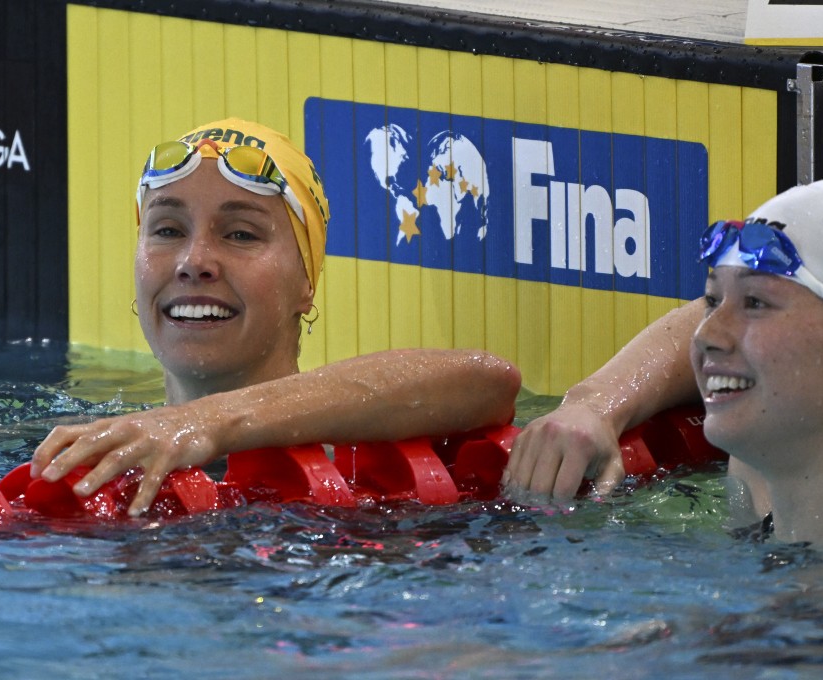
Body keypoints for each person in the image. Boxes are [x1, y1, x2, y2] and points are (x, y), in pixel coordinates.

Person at [31, 118, 521, 517]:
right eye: (167, 229)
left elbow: (491, 382)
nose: (193, 260)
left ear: (306, 283)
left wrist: (202, 422)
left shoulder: (352, 454)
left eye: (241, 235)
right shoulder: (77, 442)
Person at [504, 178, 823, 544]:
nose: (708, 335)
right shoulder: (768, 466)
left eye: (756, 304)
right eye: (716, 300)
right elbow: (686, 326)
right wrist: (595, 406)